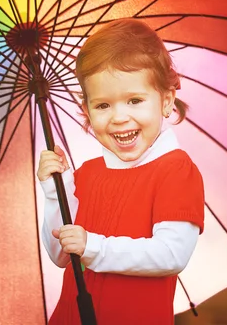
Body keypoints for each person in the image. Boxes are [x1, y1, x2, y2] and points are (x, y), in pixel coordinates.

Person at [37, 18, 205, 324]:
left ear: (166, 101)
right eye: (103, 106)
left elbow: (171, 254)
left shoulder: (175, 170)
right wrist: (54, 193)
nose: (119, 117)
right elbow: (60, 255)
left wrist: (94, 246)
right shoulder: (87, 174)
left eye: (135, 100)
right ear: (86, 110)